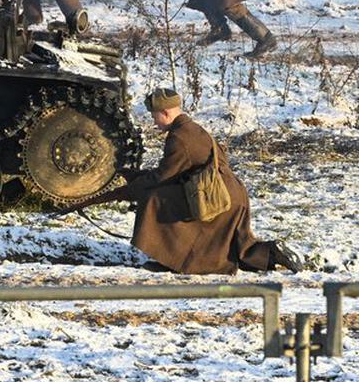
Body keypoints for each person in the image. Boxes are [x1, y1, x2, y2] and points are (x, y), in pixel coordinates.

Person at [119, 88, 301, 275]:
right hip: (231, 191)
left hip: (216, 194)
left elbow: (162, 177)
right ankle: (273, 252)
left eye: (154, 116)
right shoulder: (191, 129)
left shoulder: (179, 137)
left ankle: (173, 261)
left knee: (155, 200)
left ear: (165, 113)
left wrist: (126, 190)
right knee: (241, 248)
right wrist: (135, 176)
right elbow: (174, 171)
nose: (154, 122)